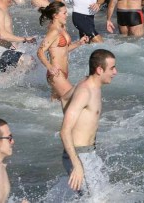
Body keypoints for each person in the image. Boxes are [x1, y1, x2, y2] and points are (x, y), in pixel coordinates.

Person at [60, 49, 117, 195]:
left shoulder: (90, 85)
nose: (115, 72)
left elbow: (64, 98)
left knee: (104, 196)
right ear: (99, 69)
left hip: (89, 152)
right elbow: (64, 131)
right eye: (112, 68)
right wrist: (76, 164)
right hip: (79, 155)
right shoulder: (85, 92)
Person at [38, 1, 89, 105]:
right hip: (56, 73)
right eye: (64, 13)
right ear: (55, 15)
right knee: (76, 100)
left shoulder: (62, 28)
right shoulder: (53, 31)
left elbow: (63, 49)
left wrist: (79, 43)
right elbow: (40, 51)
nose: (67, 15)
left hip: (64, 73)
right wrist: (49, 66)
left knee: (56, 106)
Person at [0, 0, 36, 73]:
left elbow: (6, 35)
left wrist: (15, 44)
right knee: (29, 61)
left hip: (6, 50)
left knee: (31, 62)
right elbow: (2, 35)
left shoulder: (4, 10)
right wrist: (25, 39)